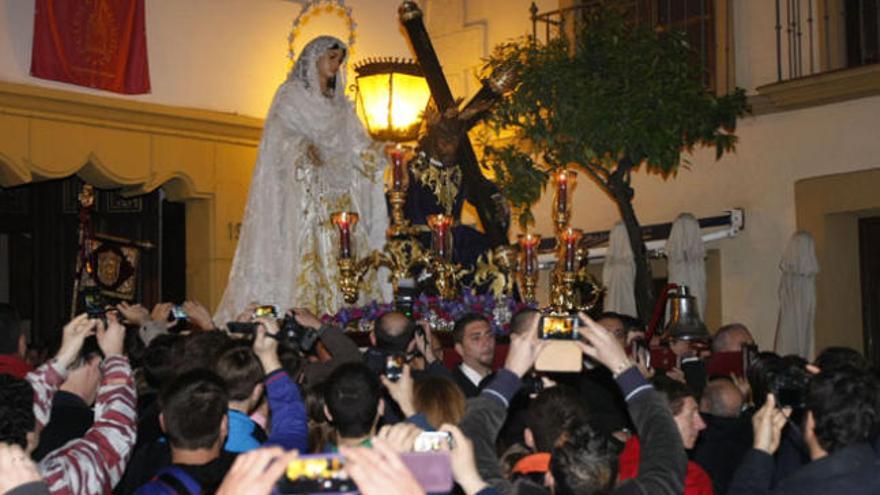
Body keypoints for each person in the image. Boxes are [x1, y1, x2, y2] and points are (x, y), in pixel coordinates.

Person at [214, 35, 389, 323]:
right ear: (315, 58)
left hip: (341, 200)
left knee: (348, 256)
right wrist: (302, 146)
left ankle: (351, 315)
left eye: (339, 60)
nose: (336, 65)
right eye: (331, 58)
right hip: (306, 200)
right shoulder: (291, 96)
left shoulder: (341, 107)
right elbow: (278, 139)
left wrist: (385, 156)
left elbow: (361, 148)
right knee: (309, 258)